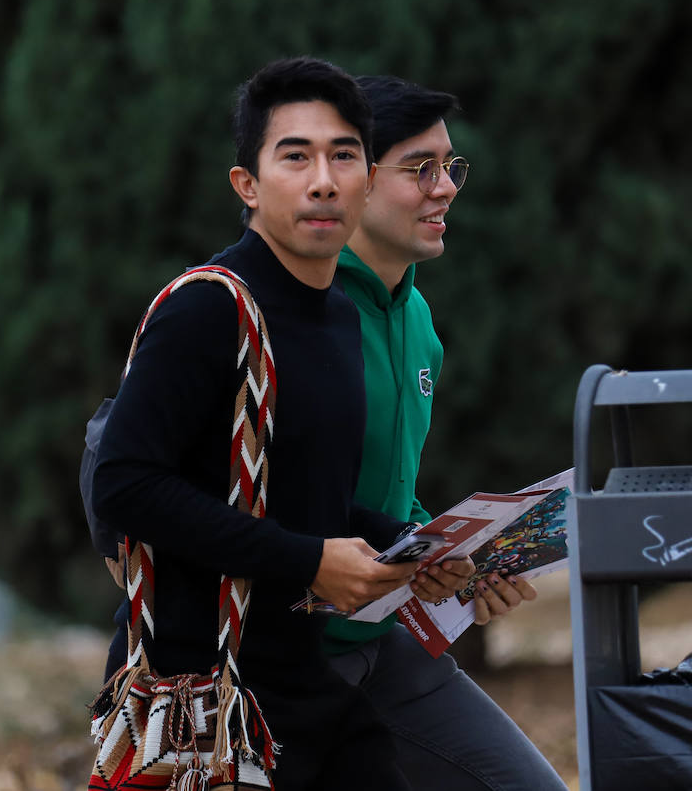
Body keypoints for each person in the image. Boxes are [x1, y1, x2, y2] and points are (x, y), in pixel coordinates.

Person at [92, 57, 420, 789]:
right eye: (294, 157)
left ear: (369, 180)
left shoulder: (338, 314)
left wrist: (419, 550)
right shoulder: (209, 308)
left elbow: (308, 497)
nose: (323, 180)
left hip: (296, 682)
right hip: (203, 697)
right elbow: (124, 483)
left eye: (344, 156)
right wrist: (308, 561)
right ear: (247, 184)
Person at [325, 74, 568, 791]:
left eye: (452, 166)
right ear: (354, 181)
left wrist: (461, 563)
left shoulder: (419, 321)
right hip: (283, 661)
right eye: (420, 168)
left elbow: (384, 493)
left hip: (383, 643)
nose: (446, 188)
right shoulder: (294, 313)